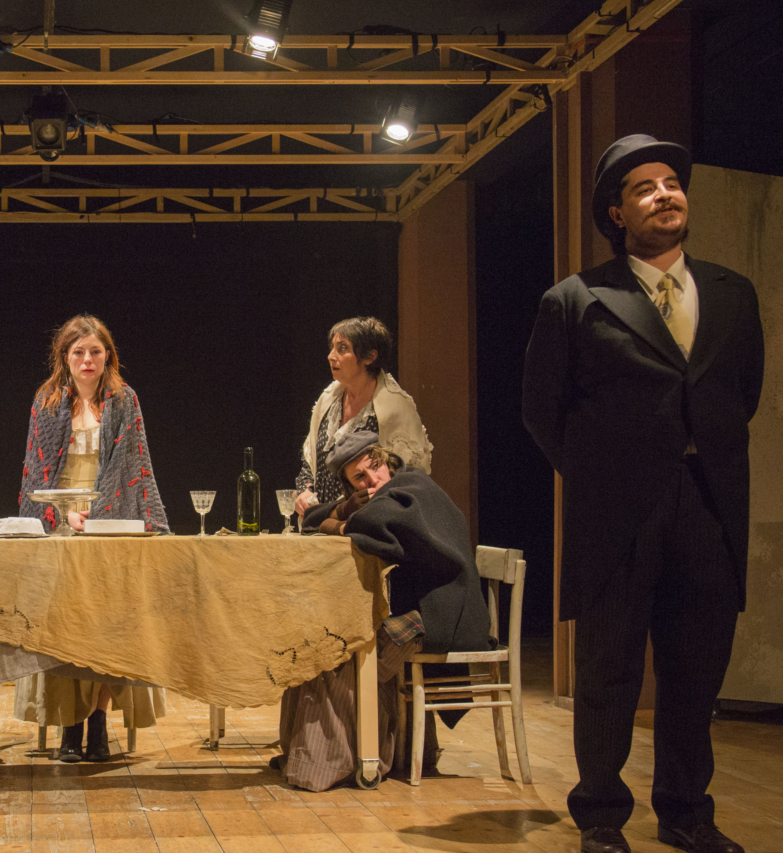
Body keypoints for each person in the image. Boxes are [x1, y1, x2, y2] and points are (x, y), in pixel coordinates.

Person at [523, 135, 763, 853]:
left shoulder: (732, 292)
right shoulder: (577, 298)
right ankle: (601, 815)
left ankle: (687, 812)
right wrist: (599, 474)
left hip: (709, 500)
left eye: (672, 182)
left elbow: (741, 393)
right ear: (616, 212)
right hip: (617, 511)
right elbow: (542, 409)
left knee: (697, 668)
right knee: (609, 668)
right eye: (644, 187)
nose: (665, 194)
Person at [277, 430, 493, 791]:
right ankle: (356, 753)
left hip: (441, 616)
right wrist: (343, 511)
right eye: (359, 478)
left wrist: (338, 521)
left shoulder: (412, 487)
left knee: (342, 651)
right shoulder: (392, 495)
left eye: (374, 467)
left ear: (387, 461)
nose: (371, 479)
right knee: (322, 642)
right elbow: (315, 519)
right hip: (427, 607)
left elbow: (368, 528)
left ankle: (337, 762)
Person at [13, 314, 169, 762]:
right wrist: (62, 515)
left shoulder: (124, 400)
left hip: (108, 522)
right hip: (59, 524)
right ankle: (70, 724)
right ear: (64, 356)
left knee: (105, 626)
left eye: (95, 352)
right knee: (64, 625)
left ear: (107, 356)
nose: (87, 360)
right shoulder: (46, 401)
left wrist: (97, 517)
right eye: (78, 352)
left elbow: (131, 468)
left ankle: (98, 720)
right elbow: (36, 471)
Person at [294, 317, 432, 518]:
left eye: (342, 348)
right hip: (325, 523)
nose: (331, 356)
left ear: (370, 357)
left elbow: (409, 480)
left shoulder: (395, 409)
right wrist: (305, 490)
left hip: (370, 523)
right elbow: (311, 460)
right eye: (332, 348)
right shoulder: (329, 400)